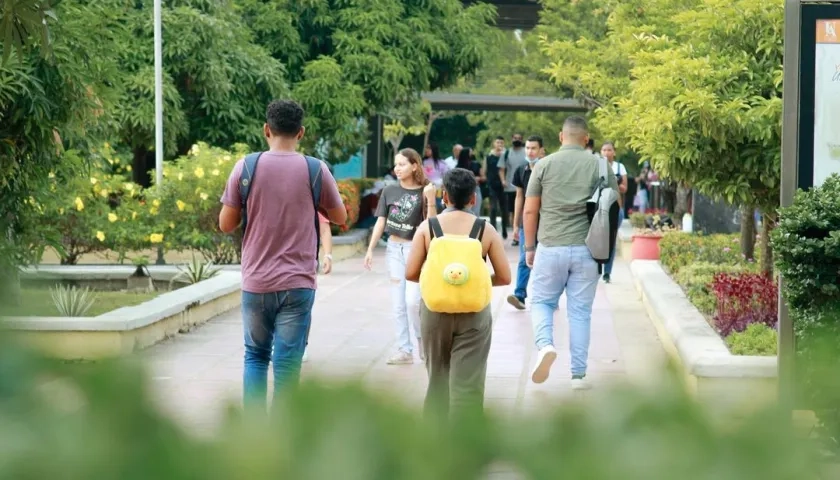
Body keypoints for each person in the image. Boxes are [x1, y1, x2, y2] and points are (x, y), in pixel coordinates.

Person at [219, 99, 346, 410]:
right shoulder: (316, 170)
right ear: (301, 132)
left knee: (256, 356)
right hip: (298, 284)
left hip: (257, 281)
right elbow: (340, 217)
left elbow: (225, 224)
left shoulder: (246, 166)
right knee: (288, 365)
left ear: (266, 129)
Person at [405, 168, 511, 418]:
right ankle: (466, 445)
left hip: (434, 312)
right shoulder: (485, 230)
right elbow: (505, 277)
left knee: (437, 380)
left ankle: (434, 443)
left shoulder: (427, 228)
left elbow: (410, 273)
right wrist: (474, 283)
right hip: (474, 314)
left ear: (444, 197)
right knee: (468, 384)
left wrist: (441, 282)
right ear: (473, 198)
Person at [523, 116, 618, 391]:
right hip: (587, 250)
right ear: (586, 139)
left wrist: (530, 248)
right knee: (580, 313)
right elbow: (613, 205)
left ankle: (545, 345)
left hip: (550, 246)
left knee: (540, 301)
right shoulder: (601, 165)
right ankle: (578, 376)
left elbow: (530, 210)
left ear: (560, 136)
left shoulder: (543, 164)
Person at [364, 148, 437, 365]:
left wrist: (431, 200)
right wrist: (370, 249)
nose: (397, 169)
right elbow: (381, 221)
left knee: (413, 302)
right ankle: (404, 350)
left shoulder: (426, 190)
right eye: (396, 165)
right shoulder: (389, 191)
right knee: (398, 304)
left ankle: (422, 340)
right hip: (394, 251)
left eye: (402, 164)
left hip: (417, 251)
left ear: (415, 165)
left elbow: (432, 225)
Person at [507, 135, 544, 310]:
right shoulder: (521, 170)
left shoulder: (547, 169)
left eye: (533, 148)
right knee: (524, 258)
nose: (530, 151)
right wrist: (515, 223)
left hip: (547, 223)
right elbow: (519, 197)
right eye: (527, 148)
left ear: (541, 150)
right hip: (526, 223)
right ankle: (520, 294)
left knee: (546, 260)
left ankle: (548, 295)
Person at [302, 214, 334, 363]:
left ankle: (301, 345)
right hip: (271, 263)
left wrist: (328, 255)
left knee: (303, 306)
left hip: (304, 264)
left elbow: (325, 229)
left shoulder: (308, 194)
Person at [600, 142, 627, 283]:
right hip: (600, 209)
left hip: (615, 208)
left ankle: (607, 272)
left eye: (609, 150)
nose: (606, 153)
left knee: (610, 241)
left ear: (614, 152)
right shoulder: (597, 166)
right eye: (604, 150)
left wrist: (615, 182)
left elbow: (624, 188)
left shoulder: (619, 167)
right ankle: (596, 268)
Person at [499, 133, 527, 245]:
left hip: (525, 185)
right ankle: (515, 236)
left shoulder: (526, 152)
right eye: (515, 138)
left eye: (519, 138)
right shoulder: (506, 153)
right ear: (511, 139)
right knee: (513, 211)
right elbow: (501, 168)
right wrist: (503, 180)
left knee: (525, 210)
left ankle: (524, 234)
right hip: (510, 187)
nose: (517, 140)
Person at [484, 136, 508, 239]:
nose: (499, 145)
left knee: (504, 209)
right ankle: (493, 231)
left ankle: (504, 229)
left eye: (501, 143)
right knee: (493, 208)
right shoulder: (489, 156)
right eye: (498, 142)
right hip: (492, 185)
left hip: (503, 185)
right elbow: (484, 170)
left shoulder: (506, 156)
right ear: (494, 143)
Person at [456, 147, 484, 216]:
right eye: (470, 152)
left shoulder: (477, 164)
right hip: (463, 190)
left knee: (476, 210)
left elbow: (483, 177)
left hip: (475, 189)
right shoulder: (458, 167)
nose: (472, 153)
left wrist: (478, 178)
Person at [423, 143, 449, 212]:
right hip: (425, 188)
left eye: (429, 148)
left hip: (438, 190)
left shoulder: (442, 163)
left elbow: (446, 177)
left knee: (438, 206)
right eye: (426, 148)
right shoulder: (423, 162)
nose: (426, 150)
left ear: (434, 150)